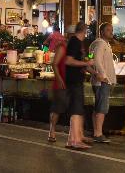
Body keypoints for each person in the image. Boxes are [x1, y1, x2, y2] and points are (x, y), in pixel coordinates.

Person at [64, 22, 97, 150]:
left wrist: (93, 72)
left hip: (76, 79)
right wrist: (86, 63)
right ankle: (76, 140)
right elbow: (69, 61)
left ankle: (73, 138)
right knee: (76, 110)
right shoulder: (74, 42)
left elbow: (81, 63)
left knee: (77, 110)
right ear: (85, 30)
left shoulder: (78, 43)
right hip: (73, 80)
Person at [89, 22, 115, 143]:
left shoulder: (101, 44)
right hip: (102, 81)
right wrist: (103, 76)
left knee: (98, 106)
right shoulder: (100, 44)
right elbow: (97, 61)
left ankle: (96, 131)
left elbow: (91, 58)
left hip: (100, 80)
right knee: (102, 108)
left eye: (111, 30)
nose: (111, 32)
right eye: (108, 30)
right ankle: (98, 133)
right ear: (102, 32)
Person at [47, 25, 67, 143]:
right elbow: (55, 64)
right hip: (61, 83)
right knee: (57, 108)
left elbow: (45, 42)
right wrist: (59, 79)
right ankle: (52, 130)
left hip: (69, 82)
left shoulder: (74, 48)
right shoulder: (62, 46)